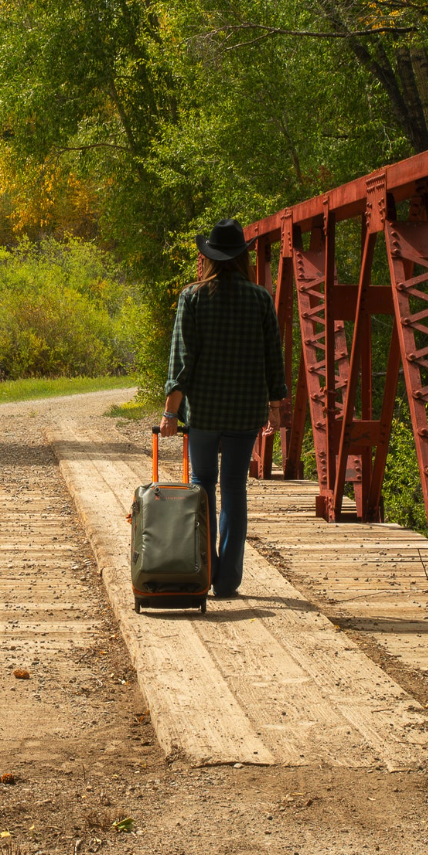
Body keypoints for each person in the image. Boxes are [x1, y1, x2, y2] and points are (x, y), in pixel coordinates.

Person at [158, 217, 289, 599]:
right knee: (234, 487)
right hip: (245, 411)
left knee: (202, 485)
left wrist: (170, 413)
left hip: (204, 411)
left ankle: (205, 568)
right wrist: (275, 406)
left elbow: (182, 361)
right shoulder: (260, 299)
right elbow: (273, 359)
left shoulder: (193, 297)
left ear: (210, 257)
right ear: (242, 257)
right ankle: (228, 580)